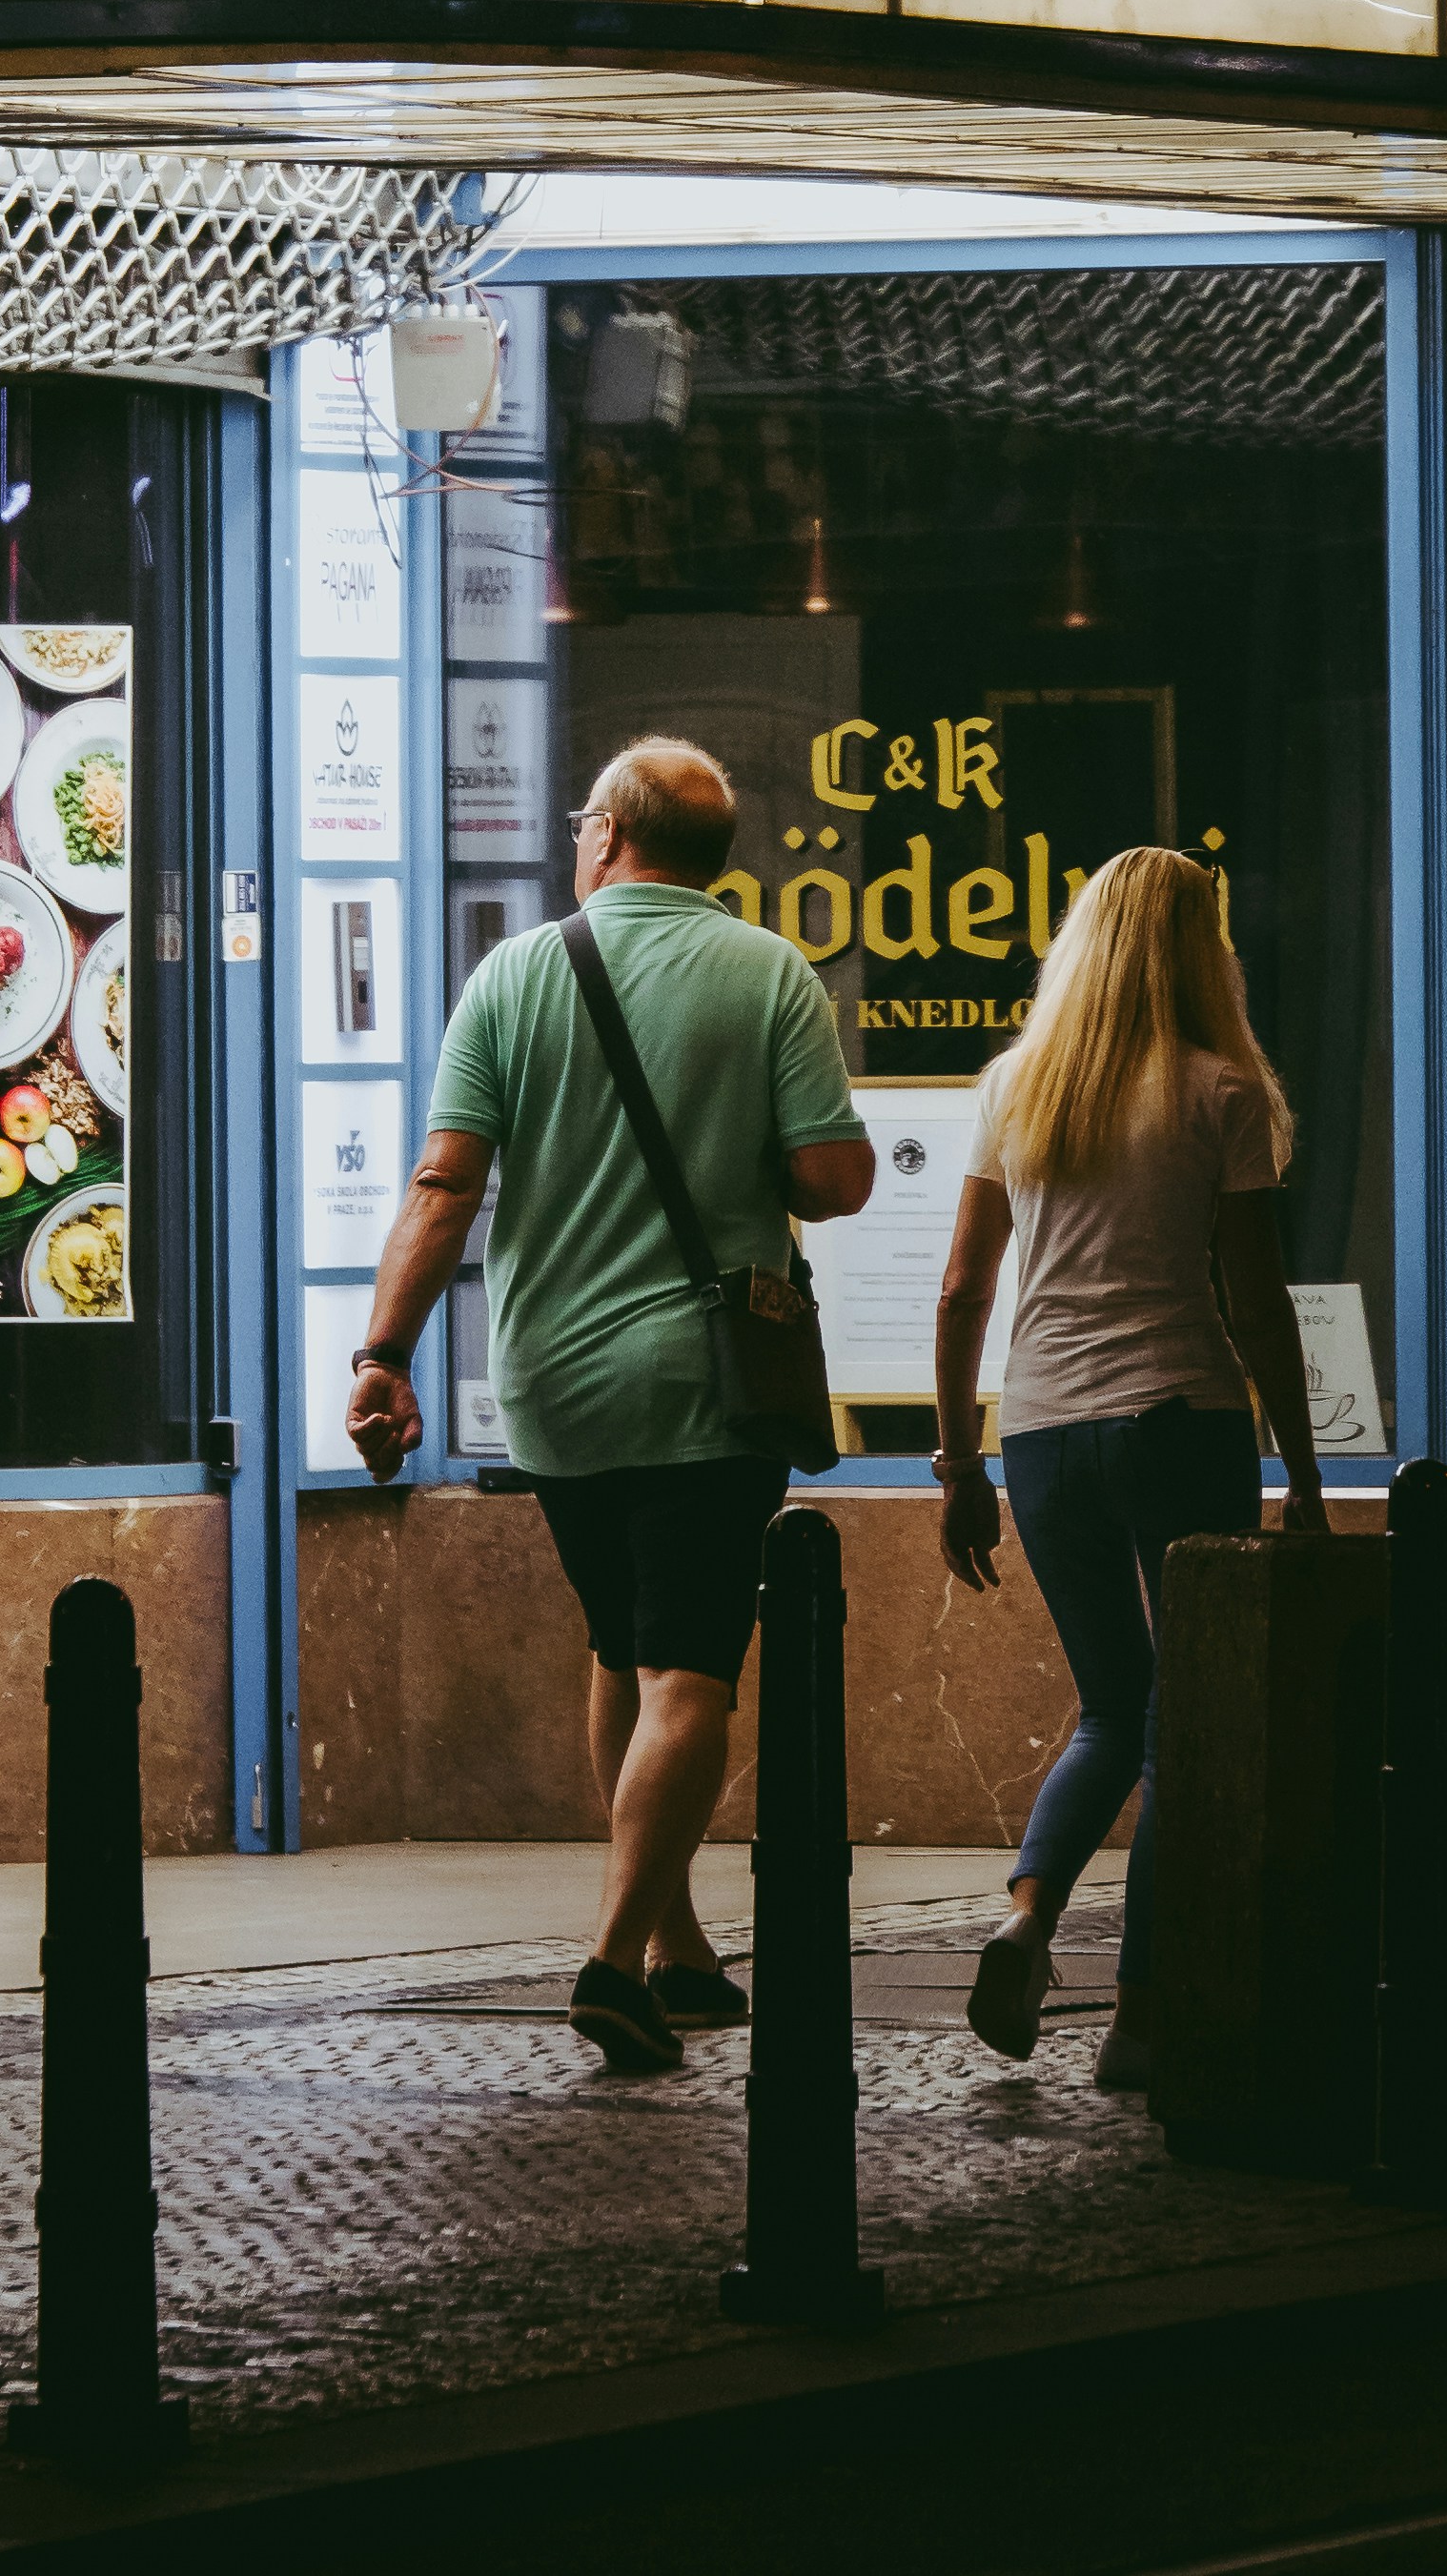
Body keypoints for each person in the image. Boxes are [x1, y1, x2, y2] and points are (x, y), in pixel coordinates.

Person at [347, 735, 873, 2078]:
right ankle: (609, 1957)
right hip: (704, 1385)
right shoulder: (768, 975)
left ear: (605, 839)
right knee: (689, 1672)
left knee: (618, 1649)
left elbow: (443, 1187)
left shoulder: (516, 976)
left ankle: (677, 1943)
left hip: (556, 1393)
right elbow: (833, 1180)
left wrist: (382, 1355)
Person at [931, 843, 1328, 2094]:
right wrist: (1304, 1476)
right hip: (1179, 1419)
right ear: (1201, 950)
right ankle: (1144, 2014)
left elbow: (960, 1289)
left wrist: (958, 1464)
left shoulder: (1018, 1086)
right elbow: (1256, 1301)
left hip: (1043, 1435)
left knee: (1114, 1701)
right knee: (1183, 1725)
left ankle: (1028, 1922)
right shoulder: (1224, 1089)